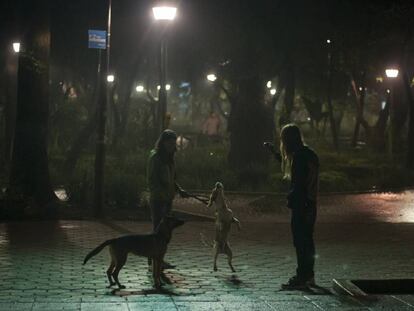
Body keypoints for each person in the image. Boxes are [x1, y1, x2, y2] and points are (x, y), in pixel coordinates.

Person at [265, 124, 319, 289]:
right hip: (311, 204)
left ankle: (302, 277)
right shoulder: (309, 154)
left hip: (301, 206)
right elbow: (297, 171)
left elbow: (298, 183)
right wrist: (275, 153)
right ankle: (308, 275)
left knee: (300, 242)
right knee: (307, 241)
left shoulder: (299, 158)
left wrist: (290, 199)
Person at [147, 129, 189, 268]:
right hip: (158, 200)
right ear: (162, 143)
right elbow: (152, 180)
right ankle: (156, 260)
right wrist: (161, 194)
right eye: (168, 143)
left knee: (163, 232)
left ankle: (156, 259)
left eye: (173, 143)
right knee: (159, 231)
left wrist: (179, 189)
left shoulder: (170, 158)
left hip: (167, 199)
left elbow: (172, 179)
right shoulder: (156, 157)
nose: (171, 146)